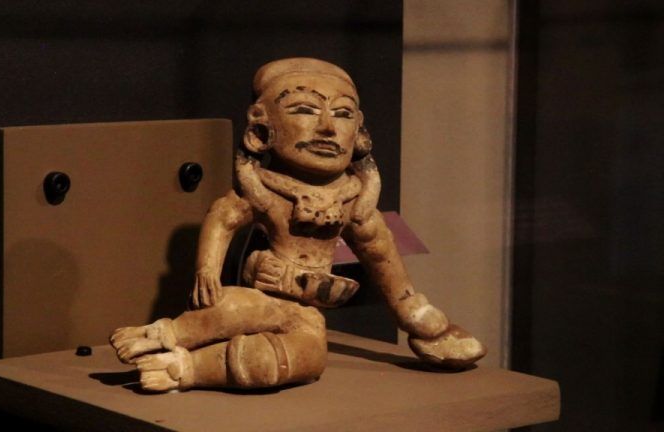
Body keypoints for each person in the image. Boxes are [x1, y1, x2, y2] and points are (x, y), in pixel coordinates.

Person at [110, 58, 486, 392]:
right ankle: (164, 334)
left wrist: (415, 316)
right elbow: (223, 216)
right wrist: (207, 270)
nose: (327, 127)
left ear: (359, 133)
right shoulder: (265, 191)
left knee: (303, 359)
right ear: (261, 129)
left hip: (305, 314)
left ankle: (185, 369)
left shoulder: (354, 202)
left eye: (343, 114)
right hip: (261, 298)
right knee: (233, 307)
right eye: (305, 109)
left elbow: (379, 255)